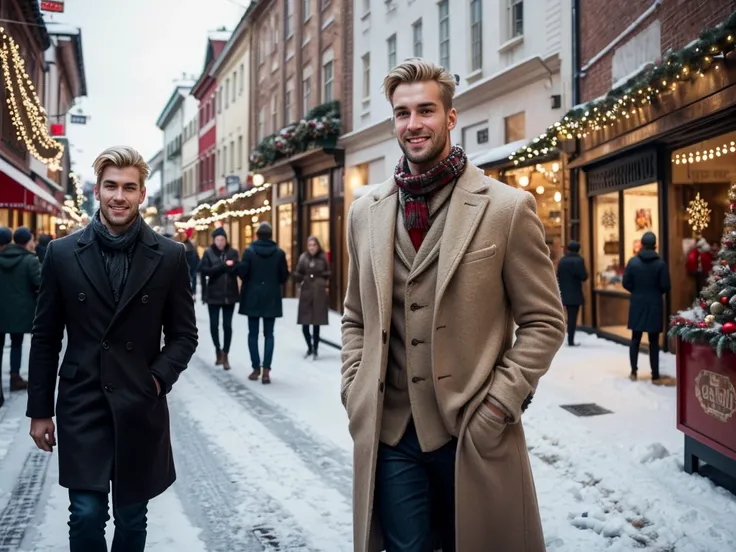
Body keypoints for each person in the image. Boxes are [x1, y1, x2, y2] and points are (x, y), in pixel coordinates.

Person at [340, 59, 566, 552]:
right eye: (402, 113)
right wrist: (354, 386)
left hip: (472, 432)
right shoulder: (365, 213)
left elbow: (545, 321)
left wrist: (500, 403)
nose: (413, 124)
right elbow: (356, 316)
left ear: (450, 117)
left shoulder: (506, 208)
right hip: (392, 433)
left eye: (426, 110)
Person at [26, 145, 198, 552]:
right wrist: (39, 410)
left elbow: (184, 335)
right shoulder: (62, 253)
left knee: (132, 516)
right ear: (97, 192)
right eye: (110, 186)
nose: (119, 196)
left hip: (139, 404)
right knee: (85, 513)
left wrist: (155, 380)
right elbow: (46, 336)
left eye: (129, 187)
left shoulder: (170, 256)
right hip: (82, 401)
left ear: (141, 194)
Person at [238, 222, 289, 384]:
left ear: (257, 235)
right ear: (271, 236)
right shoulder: (279, 253)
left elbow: (242, 273)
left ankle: (255, 368)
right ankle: (267, 369)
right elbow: (284, 276)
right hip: (271, 297)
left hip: (252, 297)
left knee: (253, 334)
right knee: (269, 334)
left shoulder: (249, 252)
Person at [622, 231, 672, 385]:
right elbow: (666, 286)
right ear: (655, 244)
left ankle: (633, 371)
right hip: (654, 304)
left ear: (642, 244)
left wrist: (636, 291)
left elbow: (626, 283)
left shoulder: (633, 262)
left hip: (637, 303)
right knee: (654, 341)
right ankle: (655, 374)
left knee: (635, 339)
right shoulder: (660, 264)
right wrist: (655, 292)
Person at [0, 226, 40, 406]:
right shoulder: (29, 261)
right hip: (21, 313)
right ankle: (15, 377)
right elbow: (39, 283)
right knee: (17, 343)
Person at [199, 227, 240, 370]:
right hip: (213, 295)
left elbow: (236, 269)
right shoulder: (208, 253)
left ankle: (225, 354)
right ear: (214, 240)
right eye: (218, 240)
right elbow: (205, 271)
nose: (221, 242)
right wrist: (223, 265)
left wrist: (231, 265)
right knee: (214, 325)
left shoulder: (233, 252)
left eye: (223, 239)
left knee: (227, 326)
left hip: (230, 295)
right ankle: (217, 349)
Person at [293, 236, 331, 360]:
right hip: (306, 292)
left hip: (318, 293)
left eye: (314, 245)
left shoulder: (322, 258)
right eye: (309, 245)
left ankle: (315, 349)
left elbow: (328, 272)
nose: (312, 247)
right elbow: (297, 272)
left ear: (318, 246)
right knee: (305, 324)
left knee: (316, 323)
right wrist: (303, 279)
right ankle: (309, 346)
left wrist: (321, 280)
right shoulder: (303, 257)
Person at [556, 240, 588, 346]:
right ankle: (570, 339)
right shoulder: (579, 260)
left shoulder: (562, 261)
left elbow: (558, 276)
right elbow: (583, 276)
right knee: (573, 317)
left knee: (565, 316)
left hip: (563, 292)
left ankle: (564, 338)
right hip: (575, 292)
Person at [178, 229, 200, 297]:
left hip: (190, 266)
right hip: (191, 266)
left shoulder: (185, 247)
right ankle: (192, 292)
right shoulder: (189, 246)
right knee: (192, 279)